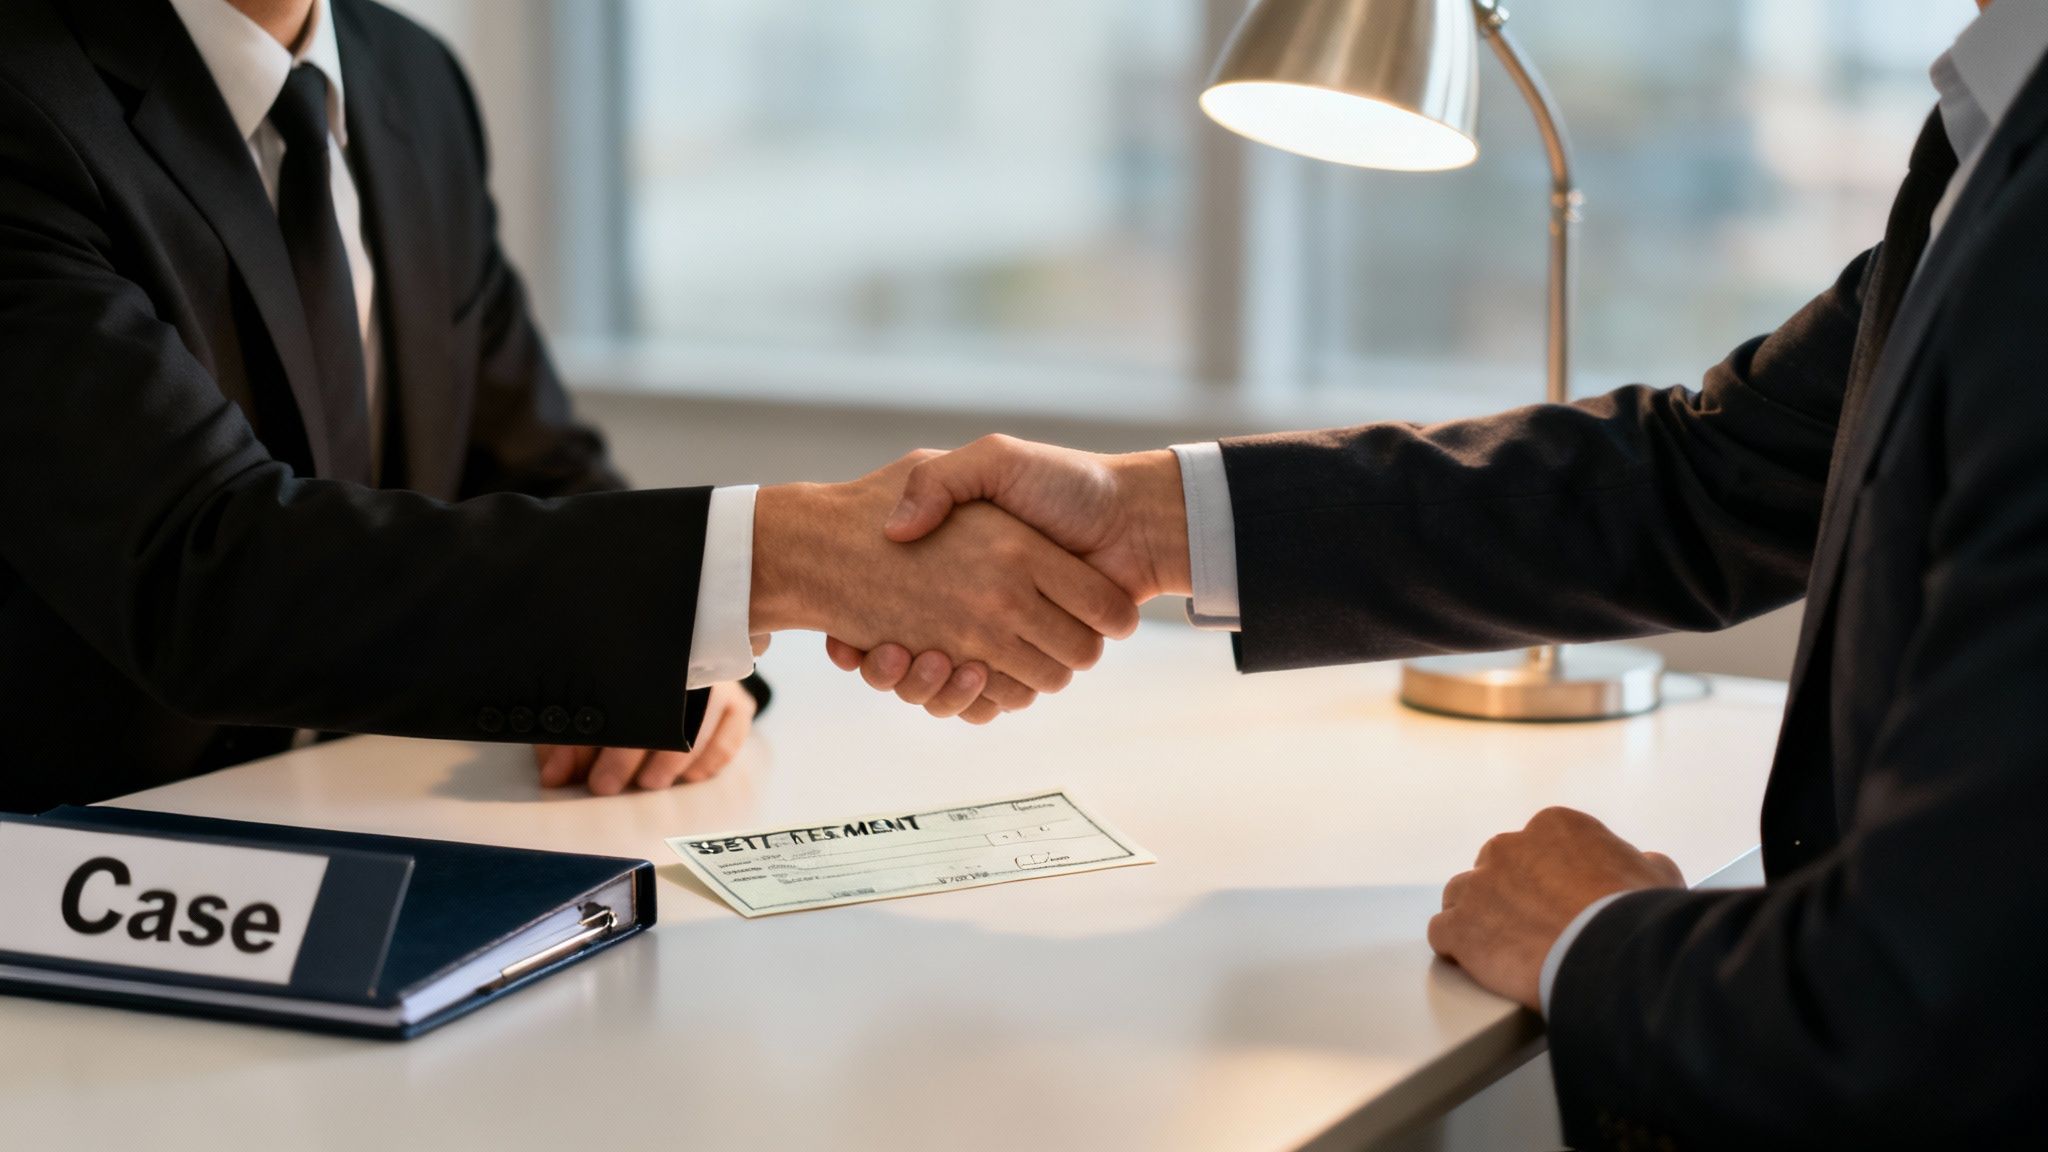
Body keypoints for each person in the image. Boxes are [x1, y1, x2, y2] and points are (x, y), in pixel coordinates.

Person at [833, 1, 2048, 1144]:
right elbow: (1707, 475)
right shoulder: (1993, 121)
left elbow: (1931, 1010)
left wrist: (1593, 938)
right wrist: (1147, 521)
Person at [0, 0, 1137, 815]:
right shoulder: (23, 93)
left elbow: (536, 467)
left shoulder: (408, 78)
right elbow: (207, 573)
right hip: (80, 896)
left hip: (378, 834)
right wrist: (777, 558)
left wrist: (686, 662)